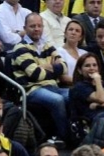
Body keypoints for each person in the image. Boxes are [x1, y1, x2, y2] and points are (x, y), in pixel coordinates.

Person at [13, 12, 70, 142]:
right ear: (25, 28)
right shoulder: (20, 48)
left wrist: (43, 67)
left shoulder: (48, 46)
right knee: (57, 100)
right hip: (31, 90)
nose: (37, 29)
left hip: (53, 86)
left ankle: (77, 131)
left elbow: (64, 67)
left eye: (39, 26)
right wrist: (53, 68)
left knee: (75, 93)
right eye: (32, 26)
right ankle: (65, 138)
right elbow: (35, 74)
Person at [69, 53, 104, 125]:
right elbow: (101, 99)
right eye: (87, 66)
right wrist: (97, 80)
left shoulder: (102, 83)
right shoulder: (79, 87)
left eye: (94, 65)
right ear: (80, 70)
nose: (92, 68)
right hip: (92, 121)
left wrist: (102, 105)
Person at [56, 20, 88, 87]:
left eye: (77, 31)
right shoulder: (58, 52)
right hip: (67, 87)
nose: (73, 32)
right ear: (65, 33)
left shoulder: (84, 53)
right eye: (71, 29)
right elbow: (62, 77)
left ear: (80, 37)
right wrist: (81, 83)